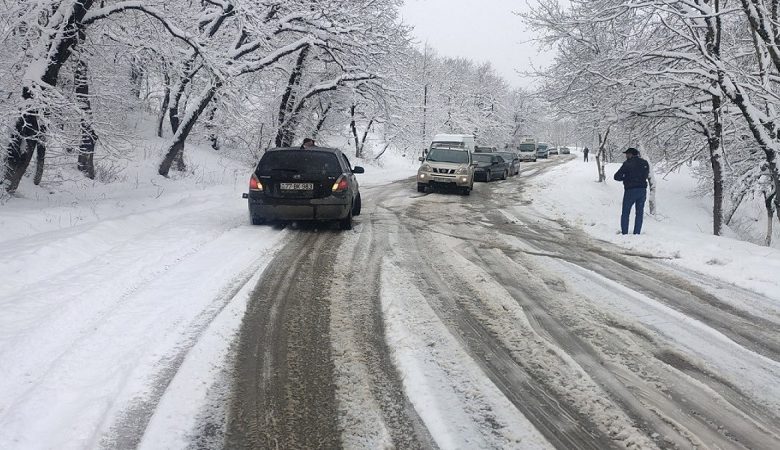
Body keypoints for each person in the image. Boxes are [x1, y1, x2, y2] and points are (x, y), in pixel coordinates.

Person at [613, 147, 651, 235]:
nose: (626, 155)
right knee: (639, 212)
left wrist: (625, 178)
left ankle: (624, 232)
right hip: (642, 190)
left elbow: (616, 177)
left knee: (626, 212)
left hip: (630, 190)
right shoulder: (645, 163)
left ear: (631, 154)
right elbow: (646, 175)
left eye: (627, 154)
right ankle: (637, 233)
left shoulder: (627, 164)